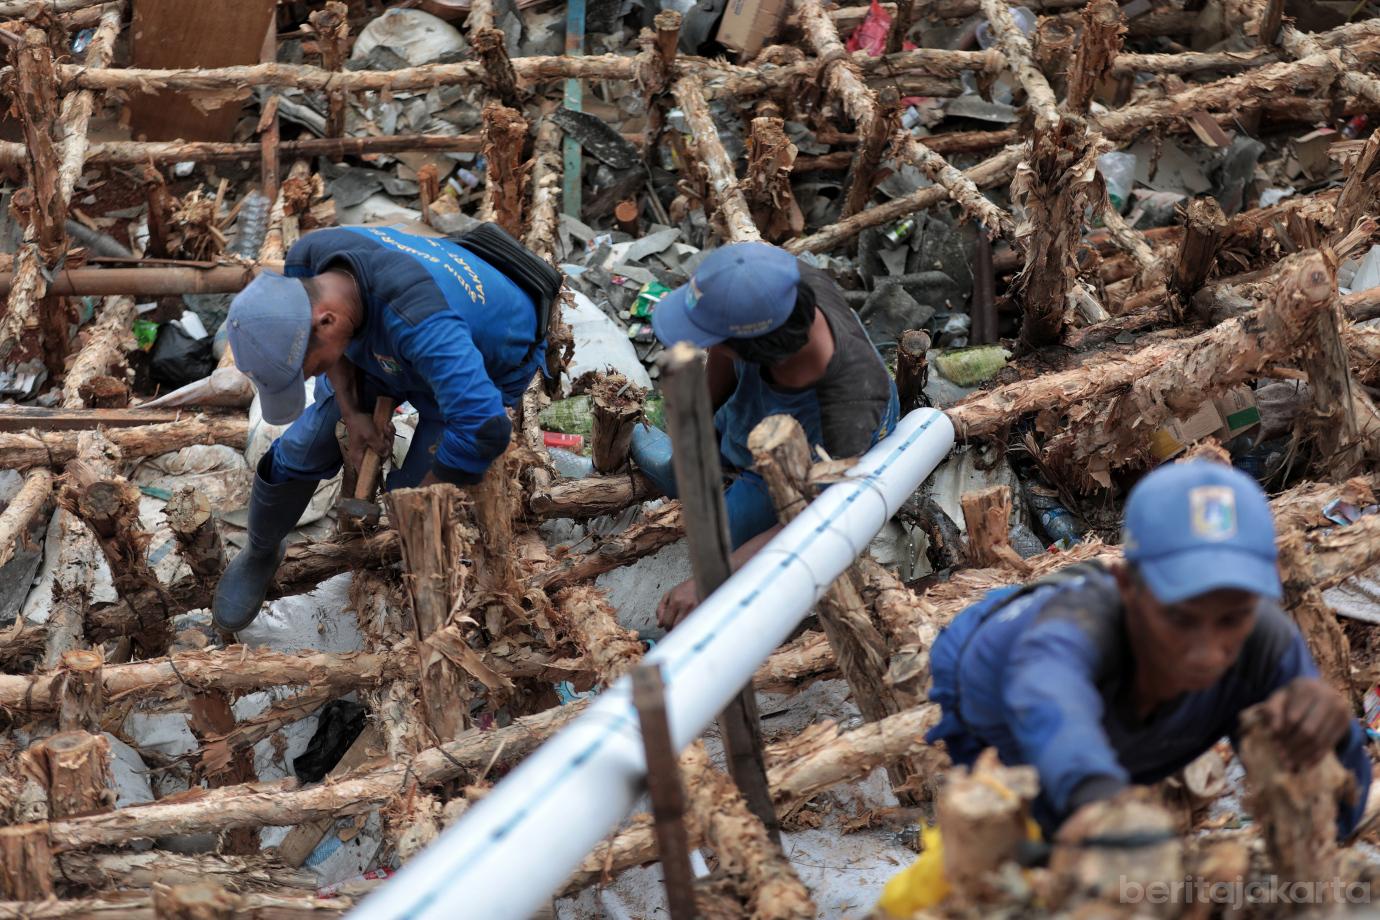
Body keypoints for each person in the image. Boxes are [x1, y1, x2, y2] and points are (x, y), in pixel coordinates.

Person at [926, 461, 1372, 840]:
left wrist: (1334, 745)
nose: (1208, 652)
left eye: (1232, 619)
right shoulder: (1063, 640)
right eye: (1180, 618)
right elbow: (1053, 711)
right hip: (990, 688)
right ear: (1127, 587)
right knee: (1030, 847)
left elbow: (1336, 819)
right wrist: (1100, 805)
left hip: (1120, 714)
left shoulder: (1262, 636)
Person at [213, 223, 557, 632]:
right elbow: (337, 353)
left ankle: (427, 599)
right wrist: (353, 413)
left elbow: (484, 428)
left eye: (312, 368)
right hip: (387, 340)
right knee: (301, 448)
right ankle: (261, 551)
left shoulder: (423, 326)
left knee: (410, 500)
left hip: (483, 359)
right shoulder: (309, 261)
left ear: (326, 322)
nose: (311, 376)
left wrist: (421, 501)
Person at [632, 241, 900, 629]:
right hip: (760, 389)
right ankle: (688, 465)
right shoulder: (769, 281)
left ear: (754, 348)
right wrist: (697, 426)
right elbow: (722, 348)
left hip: (802, 451)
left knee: (727, 539)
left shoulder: (851, 407)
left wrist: (711, 580)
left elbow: (817, 516)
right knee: (686, 463)